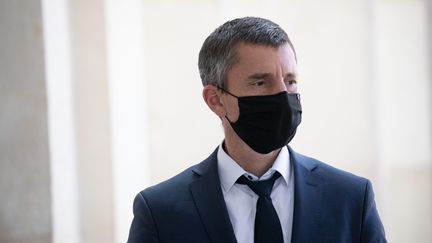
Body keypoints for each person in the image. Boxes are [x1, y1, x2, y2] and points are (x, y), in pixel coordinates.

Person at [127, 16, 386, 243]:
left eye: (290, 80)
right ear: (216, 100)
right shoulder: (159, 211)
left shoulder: (351, 198)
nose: (283, 95)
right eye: (261, 82)